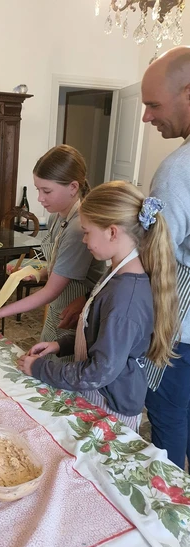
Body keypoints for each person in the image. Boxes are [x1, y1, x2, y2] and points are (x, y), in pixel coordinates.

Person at [17, 182, 178, 431]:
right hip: (98, 393)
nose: (83, 239)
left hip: (110, 406)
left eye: (87, 231)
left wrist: (40, 368)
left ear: (112, 232)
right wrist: (60, 344)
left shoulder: (125, 299)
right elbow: (100, 336)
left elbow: (97, 373)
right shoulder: (115, 274)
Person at [0, 145, 105, 361]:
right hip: (57, 310)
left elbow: (50, 291)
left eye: (46, 191)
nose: (39, 198)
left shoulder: (79, 227)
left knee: (60, 373)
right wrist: (39, 272)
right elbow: (57, 265)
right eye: (37, 189)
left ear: (73, 187)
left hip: (72, 315)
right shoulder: (57, 217)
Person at [140, 46, 190, 469]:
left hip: (181, 333)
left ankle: (170, 512)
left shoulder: (177, 170)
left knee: (170, 421)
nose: (146, 117)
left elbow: (156, 262)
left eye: (153, 104)